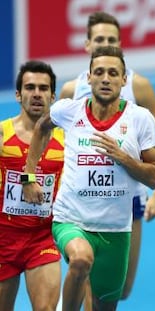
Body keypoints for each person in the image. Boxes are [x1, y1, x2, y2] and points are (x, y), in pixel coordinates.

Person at [22, 46, 155, 310]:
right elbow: (41, 127)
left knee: (104, 305)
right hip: (70, 220)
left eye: (112, 73)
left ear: (124, 80)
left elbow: (154, 178)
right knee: (81, 259)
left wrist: (124, 158)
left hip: (116, 230)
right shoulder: (68, 110)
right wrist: (30, 175)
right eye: (99, 72)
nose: (105, 78)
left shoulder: (140, 119)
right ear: (88, 78)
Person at [59, 11, 155, 305]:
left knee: (121, 290)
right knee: (83, 268)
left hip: (128, 200)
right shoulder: (72, 91)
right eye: (98, 39)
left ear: (120, 45)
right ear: (87, 45)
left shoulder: (139, 87)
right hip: (82, 203)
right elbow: (60, 146)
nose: (103, 44)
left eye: (110, 40)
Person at [0, 61, 63, 310]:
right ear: (18, 94)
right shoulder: (2, 134)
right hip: (3, 237)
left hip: (42, 238)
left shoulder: (65, 139)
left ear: (52, 95)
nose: (37, 93)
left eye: (43, 88)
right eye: (30, 87)